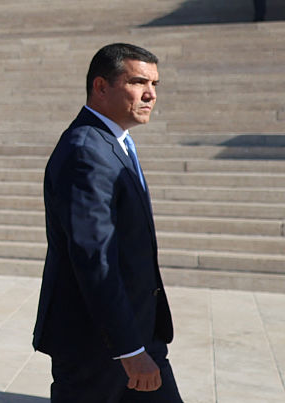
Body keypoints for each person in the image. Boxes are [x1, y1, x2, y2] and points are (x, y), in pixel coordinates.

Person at [33, 43, 181, 403]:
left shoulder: (115, 142)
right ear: (101, 87)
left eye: (155, 84)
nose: (151, 94)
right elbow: (94, 256)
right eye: (138, 82)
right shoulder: (87, 150)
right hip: (100, 348)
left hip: (132, 333)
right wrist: (129, 350)